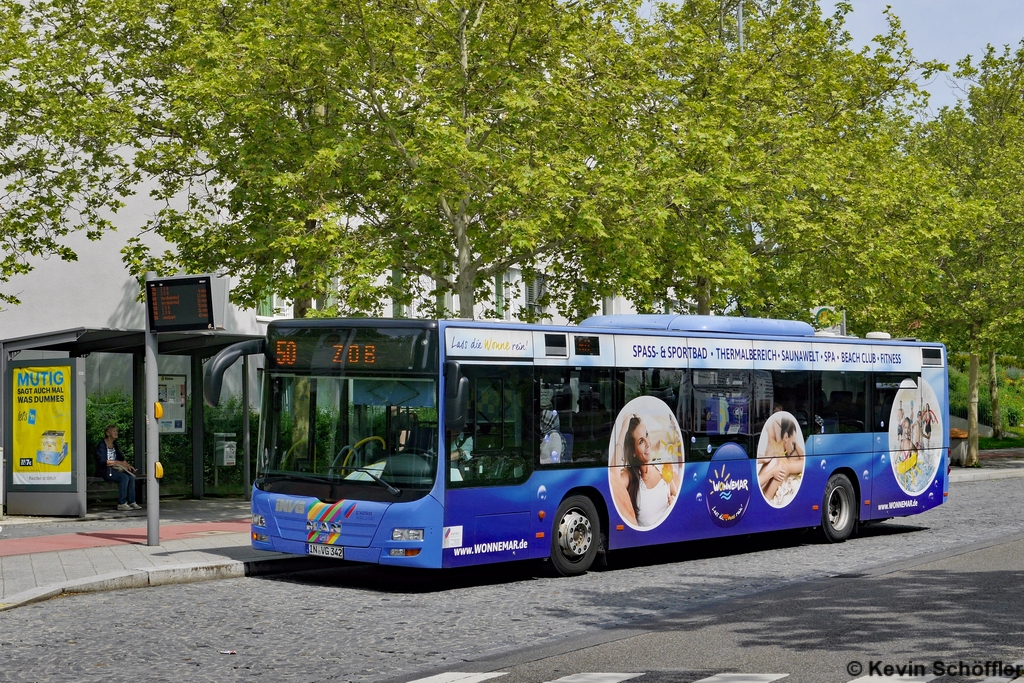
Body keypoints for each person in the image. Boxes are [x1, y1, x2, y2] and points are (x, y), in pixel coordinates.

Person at [612, 415, 678, 527]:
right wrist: (623, 430)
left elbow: (676, 499)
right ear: (633, 451)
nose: (648, 444)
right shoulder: (629, 476)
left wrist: (673, 501)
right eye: (641, 441)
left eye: (647, 435)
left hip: (670, 532)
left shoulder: (663, 467)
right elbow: (613, 480)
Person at [757, 415, 805, 504]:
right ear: (786, 437)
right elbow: (805, 462)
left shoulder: (770, 454)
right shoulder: (784, 465)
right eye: (793, 443)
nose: (793, 447)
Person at [94, 425, 140, 511]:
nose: (116, 433)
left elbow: (121, 458)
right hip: (105, 469)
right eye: (114, 431)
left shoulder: (115, 444)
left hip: (116, 468)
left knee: (131, 477)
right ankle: (121, 503)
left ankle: (132, 501)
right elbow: (102, 462)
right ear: (107, 433)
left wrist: (128, 466)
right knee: (124, 477)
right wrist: (118, 462)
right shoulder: (101, 445)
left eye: (116, 431)